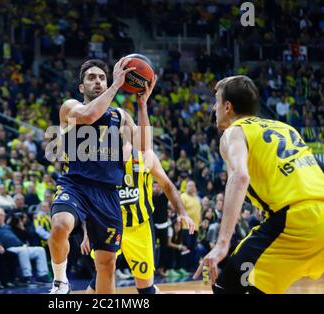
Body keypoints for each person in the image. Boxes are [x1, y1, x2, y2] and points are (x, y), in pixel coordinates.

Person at [194, 75, 324, 294]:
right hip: (315, 213)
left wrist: (222, 243)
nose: (213, 108)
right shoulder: (285, 128)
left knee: (227, 286)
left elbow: (240, 176)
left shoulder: (234, 132)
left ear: (227, 106)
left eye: (216, 101)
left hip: (294, 220)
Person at [48, 58, 137, 294]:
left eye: (101, 78)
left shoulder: (121, 115)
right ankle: (60, 281)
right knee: (59, 225)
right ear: (81, 87)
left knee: (106, 264)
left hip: (108, 193)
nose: (97, 82)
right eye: (91, 78)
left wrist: (143, 104)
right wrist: (116, 85)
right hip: (75, 185)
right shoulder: (70, 106)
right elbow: (89, 115)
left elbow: (142, 144)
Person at [83, 149, 196, 294]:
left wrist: (182, 212)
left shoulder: (145, 155)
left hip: (139, 227)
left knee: (145, 287)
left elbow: (166, 184)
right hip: (108, 226)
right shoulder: (100, 157)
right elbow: (91, 197)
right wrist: (88, 231)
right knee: (100, 277)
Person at [0, 207, 51, 285]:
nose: (0, 217)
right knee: (23, 251)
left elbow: (23, 235)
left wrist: (22, 228)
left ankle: (42, 275)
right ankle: (27, 277)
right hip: (8, 248)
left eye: (2, 215)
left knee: (40, 250)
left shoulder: (7, 227)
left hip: (19, 246)